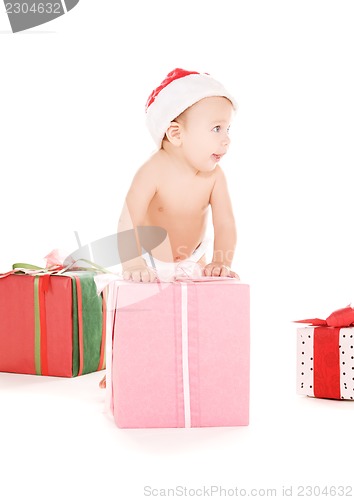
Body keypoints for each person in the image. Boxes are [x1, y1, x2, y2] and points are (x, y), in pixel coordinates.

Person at [99, 68, 239, 388]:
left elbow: (225, 222)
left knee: (204, 313)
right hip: (149, 258)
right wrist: (133, 263)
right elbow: (129, 219)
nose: (227, 139)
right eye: (216, 128)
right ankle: (121, 367)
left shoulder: (215, 177)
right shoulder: (153, 170)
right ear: (176, 135)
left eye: (228, 128)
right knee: (139, 315)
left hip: (192, 257)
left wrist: (221, 261)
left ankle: (197, 368)